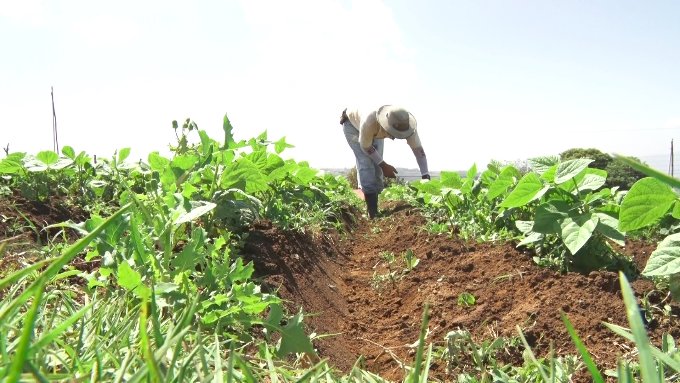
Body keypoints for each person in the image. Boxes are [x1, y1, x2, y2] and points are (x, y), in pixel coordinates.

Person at [340, 105, 430, 218]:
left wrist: (425, 176)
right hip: (352, 125)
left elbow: (419, 151)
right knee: (366, 163)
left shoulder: (407, 126)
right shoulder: (370, 122)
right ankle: (372, 211)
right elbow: (366, 147)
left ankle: (376, 202)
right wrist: (384, 165)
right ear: (387, 125)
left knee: (377, 168)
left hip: (375, 130)